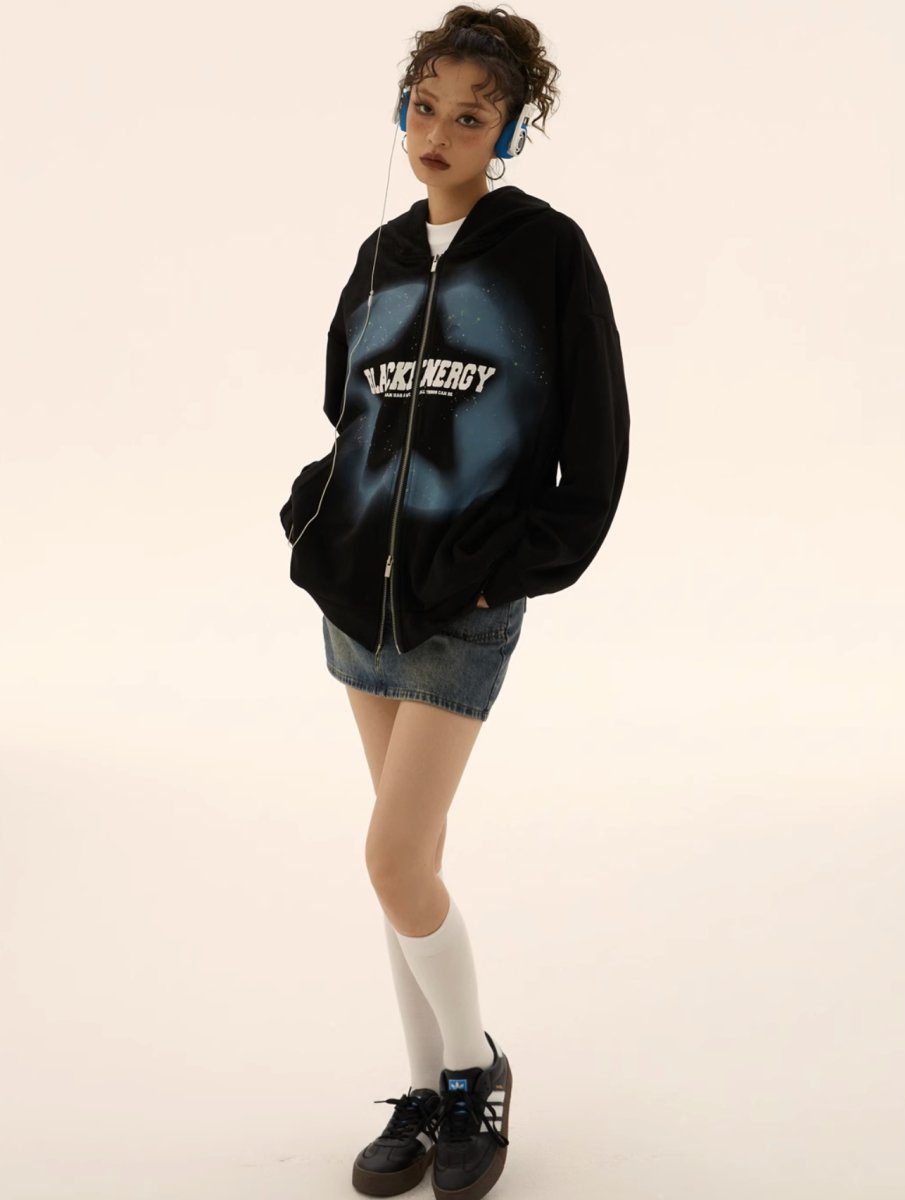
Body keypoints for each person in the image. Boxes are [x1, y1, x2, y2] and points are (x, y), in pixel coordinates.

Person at [279, 5, 630, 1197]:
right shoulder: (380, 253)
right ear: (403, 106)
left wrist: (509, 566)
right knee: (408, 859)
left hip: (461, 609)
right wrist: (317, 518)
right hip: (356, 607)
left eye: (471, 117)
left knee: (391, 859)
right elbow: (350, 408)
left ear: (511, 131)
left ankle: (477, 1070)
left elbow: (597, 444)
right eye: (424, 107)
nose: (439, 133)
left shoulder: (547, 253)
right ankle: (427, 1087)